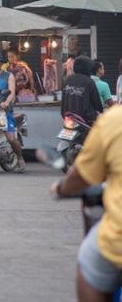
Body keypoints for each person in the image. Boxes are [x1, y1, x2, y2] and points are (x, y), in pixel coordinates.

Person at [52, 104, 122, 301]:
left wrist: (59, 189)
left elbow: (81, 177)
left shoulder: (113, 120)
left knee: (88, 259)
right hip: (82, 120)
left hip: (117, 243)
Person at [62, 56, 104, 126]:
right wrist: (101, 111)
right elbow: (97, 103)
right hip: (86, 119)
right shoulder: (89, 81)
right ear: (88, 68)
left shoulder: (67, 80)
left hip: (67, 116)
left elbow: (63, 99)